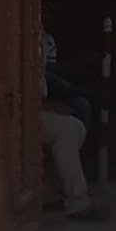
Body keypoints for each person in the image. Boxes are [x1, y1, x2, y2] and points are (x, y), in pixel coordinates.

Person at [37, 30, 108, 221]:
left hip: (37, 104)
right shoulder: (21, 39)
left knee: (75, 126)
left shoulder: (40, 37)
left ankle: (53, 191)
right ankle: (77, 200)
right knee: (66, 129)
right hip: (25, 112)